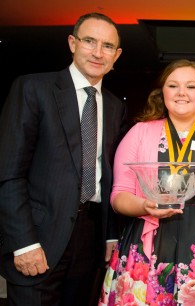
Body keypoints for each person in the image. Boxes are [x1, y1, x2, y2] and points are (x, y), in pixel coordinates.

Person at [0, 12, 128, 306]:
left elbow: (107, 175)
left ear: (117, 55)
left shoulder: (113, 106)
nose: (98, 52)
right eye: (89, 41)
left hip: (91, 239)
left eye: (108, 46)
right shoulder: (33, 88)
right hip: (39, 236)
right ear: (72, 43)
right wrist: (23, 243)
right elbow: (8, 173)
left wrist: (110, 235)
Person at [99, 59, 195, 305]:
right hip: (148, 237)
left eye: (191, 86)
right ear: (162, 92)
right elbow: (119, 196)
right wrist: (145, 205)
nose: (181, 93)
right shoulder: (139, 132)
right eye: (173, 85)